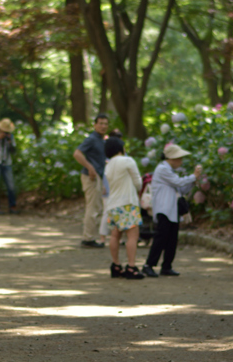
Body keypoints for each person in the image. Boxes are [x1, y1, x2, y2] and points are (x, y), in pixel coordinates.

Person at [143, 144, 202, 277]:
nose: (181, 161)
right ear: (172, 158)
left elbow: (182, 189)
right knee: (161, 238)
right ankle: (149, 265)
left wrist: (193, 181)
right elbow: (179, 182)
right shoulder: (163, 169)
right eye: (179, 158)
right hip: (164, 210)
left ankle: (167, 266)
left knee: (172, 240)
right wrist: (193, 176)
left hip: (172, 210)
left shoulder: (169, 171)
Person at [103, 137, 144, 279]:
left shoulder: (108, 165)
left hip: (113, 204)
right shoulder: (127, 161)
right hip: (127, 203)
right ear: (121, 148)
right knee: (132, 236)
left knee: (115, 235)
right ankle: (131, 267)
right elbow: (138, 182)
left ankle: (116, 265)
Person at [73, 112, 109, 248]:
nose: (103, 126)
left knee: (96, 207)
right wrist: (90, 168)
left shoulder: (101, 140)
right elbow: (77, 153)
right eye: (101, 123)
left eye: (106, 124)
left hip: (97, 177)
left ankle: (90, 237)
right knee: (92, 207)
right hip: (90, 177)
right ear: (95, 125)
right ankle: (87, 238)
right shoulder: (92, 139)